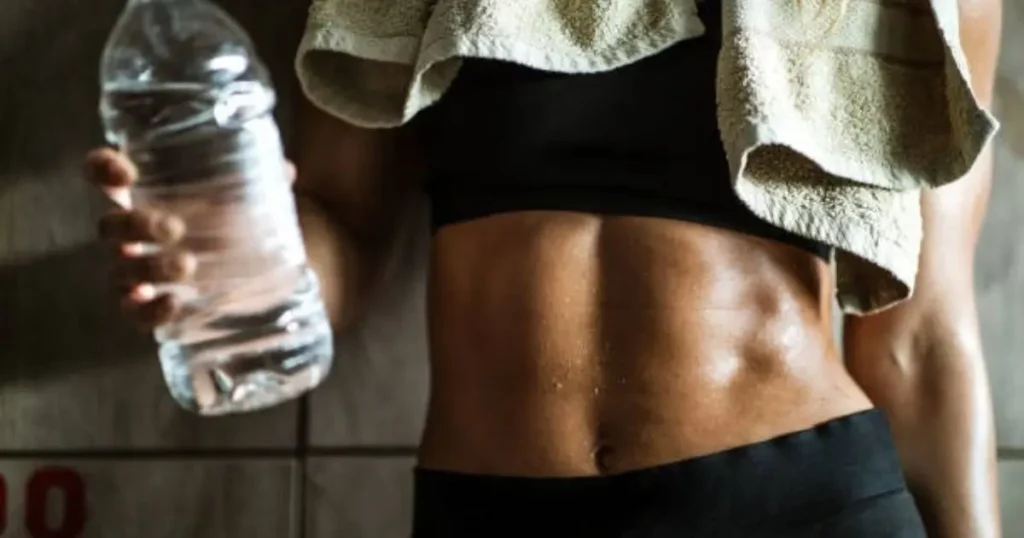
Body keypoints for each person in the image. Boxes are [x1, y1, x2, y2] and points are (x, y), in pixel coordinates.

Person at [85, 0, 1003, 535]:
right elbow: (344, 239)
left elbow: (921, 342)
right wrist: (228, 258)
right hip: (490, 512)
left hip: (794, 506)